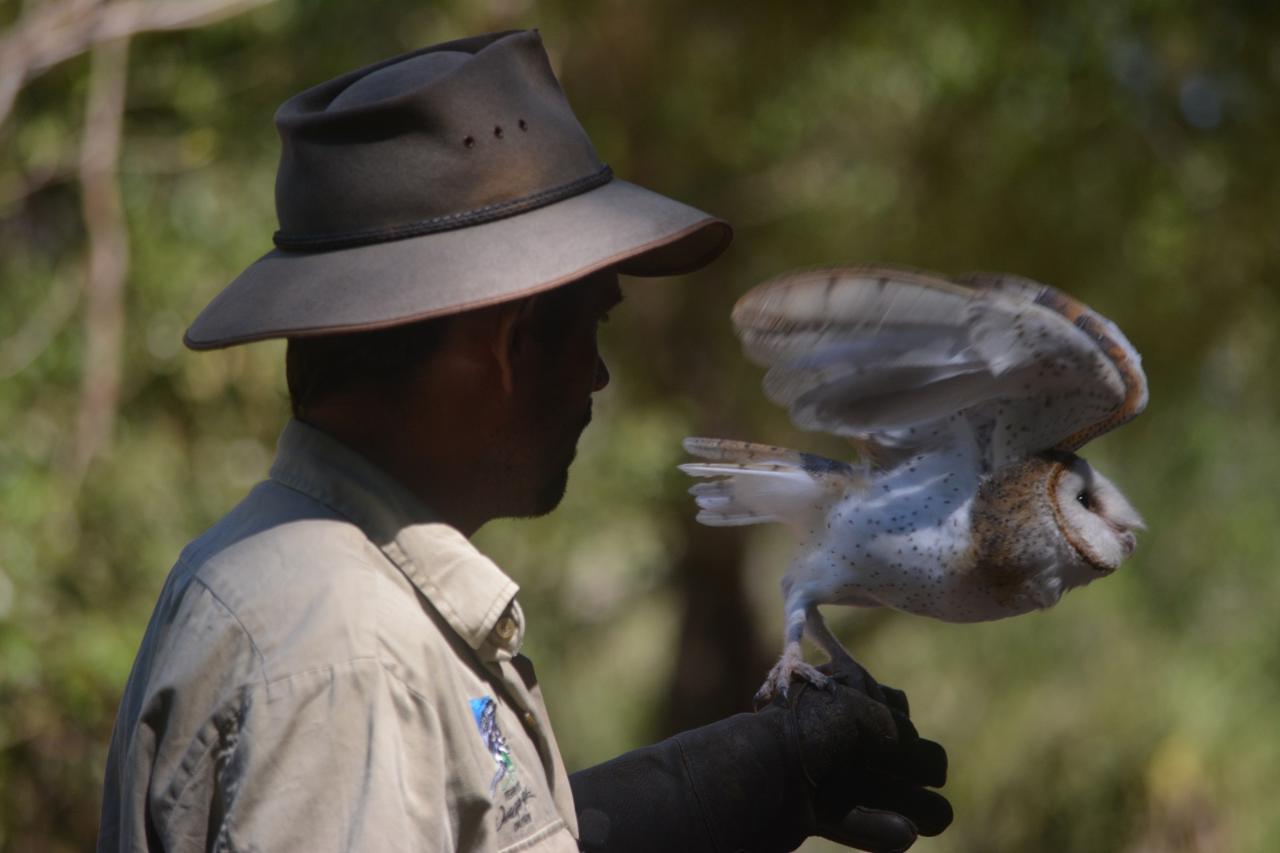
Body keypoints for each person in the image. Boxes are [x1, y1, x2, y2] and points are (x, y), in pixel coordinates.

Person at [97, 29, 952, 853]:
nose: (597, 379)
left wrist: (758, 779)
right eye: (590, 329)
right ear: (507, 346)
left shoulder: (296, 581)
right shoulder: (351, 660)